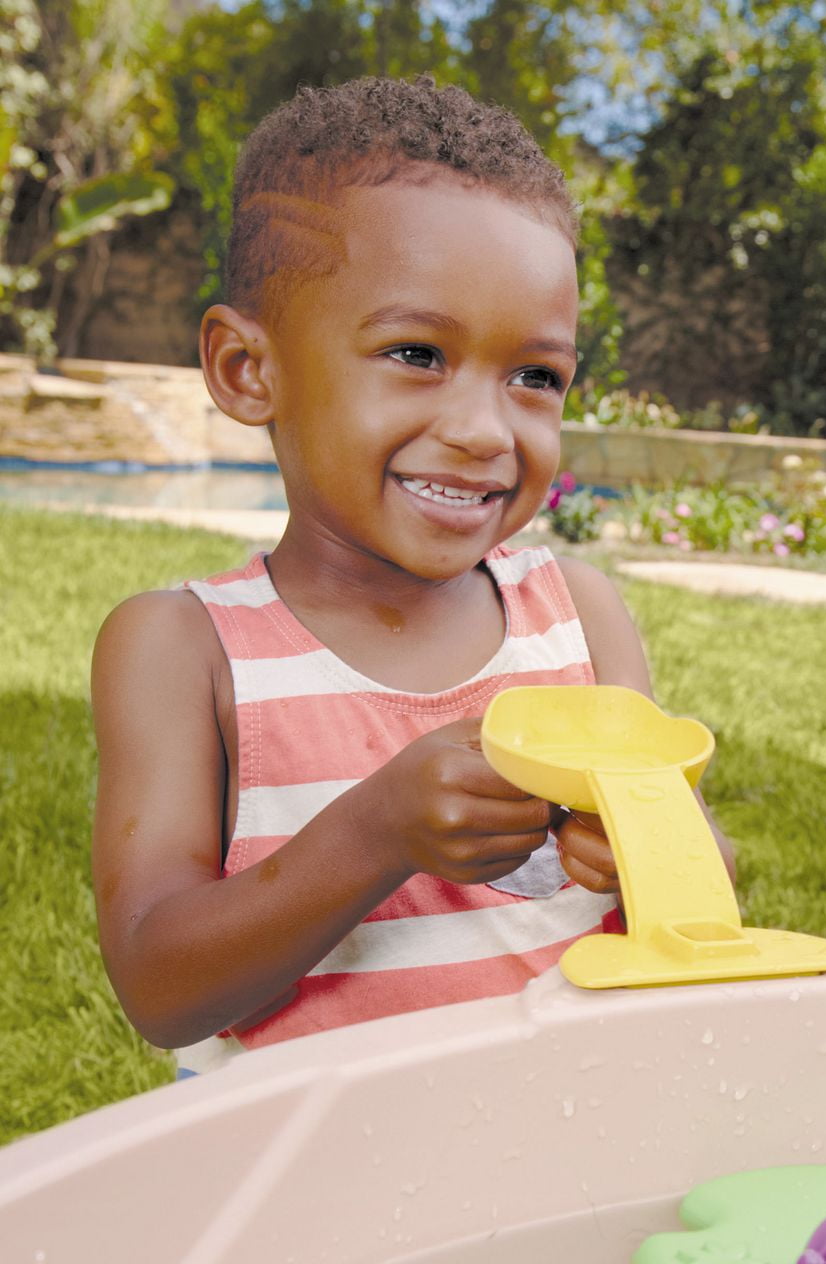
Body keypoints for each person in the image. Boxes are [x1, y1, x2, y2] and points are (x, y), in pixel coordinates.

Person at [90, 75, 733, 1074]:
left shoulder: (578, 616)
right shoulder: (185, 650)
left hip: (574, 1145)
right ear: (247, 370)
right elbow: (161, 986)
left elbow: (705, 893)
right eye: (416, 353)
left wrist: (656, 856)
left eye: (535, 377)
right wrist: (372, 834)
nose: (483, 430)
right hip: (324, 1191)